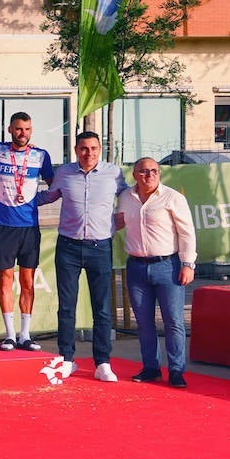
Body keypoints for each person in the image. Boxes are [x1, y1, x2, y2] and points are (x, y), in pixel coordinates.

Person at [38, 130, 127, 381]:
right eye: (84, 149)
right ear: (76, 150)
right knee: (67, 307)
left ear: (100, 150)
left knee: (102, 308)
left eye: (94, 149)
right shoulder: (64, 173)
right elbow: (49, 196)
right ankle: (67, 359)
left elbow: (129, 197)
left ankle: (103, 363)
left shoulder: (114, 173)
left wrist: (128, 217)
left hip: (101, 247)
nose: (89, 153)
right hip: (68, 247)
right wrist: (18, 202)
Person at [117, 157, 197, 389]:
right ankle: (151, 368)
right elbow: (117, 223)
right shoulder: (125, 198)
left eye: (154, 171)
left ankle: (176, 370)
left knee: (173, 322)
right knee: (143, 322)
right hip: (136, 266)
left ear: (159, 173)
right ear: (135, 175)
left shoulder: (173, 198)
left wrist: (188, 264)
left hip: (168, 266)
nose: (149, 175)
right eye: (143, 172)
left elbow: (187, 232)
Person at [0, 111, 55, 351]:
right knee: (5, 280)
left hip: (29, 227)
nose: (22, 133)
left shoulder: (39, 155)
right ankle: (9, 335)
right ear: (9, 130)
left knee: (27, 282)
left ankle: (25, 334)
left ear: (31, 130)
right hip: (3, 227)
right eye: (18, 129)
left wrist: (39, 200)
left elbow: (55, 184)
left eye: (26, 129)